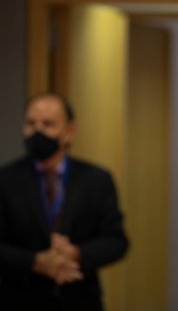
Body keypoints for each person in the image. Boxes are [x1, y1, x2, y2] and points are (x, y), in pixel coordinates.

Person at [0, 92, 128, 311]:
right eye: (31, 123)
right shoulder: (5, 179)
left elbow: (116, 241)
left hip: (80, 300)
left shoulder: (96, 179)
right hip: (19, 300)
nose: (37, 131)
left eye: (48, 124)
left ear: (69, 131)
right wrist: (36, 262)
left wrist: (75, 254)